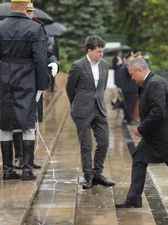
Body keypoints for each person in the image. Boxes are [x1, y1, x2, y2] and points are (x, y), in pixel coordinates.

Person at [115, 58, 168, 221]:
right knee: (139, 157)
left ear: (140, 70)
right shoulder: (149, 82)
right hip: (156, 135)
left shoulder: (155, 84)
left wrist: (141, 128)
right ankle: (134, 198)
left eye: (132, 74)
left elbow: (158, 112)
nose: (132, 78)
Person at [0, 0, 48, 181]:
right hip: (27, 78)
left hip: (5, 77)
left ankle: (8, 170)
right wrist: (41, 85)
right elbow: (40, 59)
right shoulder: (35, 28)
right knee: (28, 123)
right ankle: (27, 170)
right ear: (26, 7)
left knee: (6, 124)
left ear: (11, 6)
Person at [12, 1, 59, 170]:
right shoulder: (14, 28)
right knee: (17, 120)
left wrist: (53, 61)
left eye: (31, 12)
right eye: (27, 11)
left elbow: (46, 51)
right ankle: (18, 157)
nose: (29, 14)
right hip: (18, 80)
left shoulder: (39, 28)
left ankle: (29, 157)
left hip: (34, 81)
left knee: (33, 121)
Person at [66, 35, 115, 189]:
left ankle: (97, 173)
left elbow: (102, 87)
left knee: (104, 142)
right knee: (86, 145)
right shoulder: (78, 65)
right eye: (99, 51)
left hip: (99, 109)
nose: (101, 54)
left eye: (103, 51)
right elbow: (70, 88)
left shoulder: (105, 65)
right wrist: (76, 104)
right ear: (89, 51)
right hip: (82, 110)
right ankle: (88, 177)